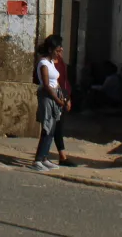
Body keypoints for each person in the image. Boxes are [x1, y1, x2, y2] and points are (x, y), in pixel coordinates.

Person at [33, 34, 70, 172]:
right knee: (47, 128)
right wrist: (58, 100)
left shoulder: (51, 63)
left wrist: (64, 97)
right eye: (57, 50)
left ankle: (44, 158)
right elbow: (47, 85)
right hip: (48, 97)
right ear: (50, 49)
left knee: (53, 128)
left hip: (55, 96)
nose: (59, 52)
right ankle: (38, 159)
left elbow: (57, 83)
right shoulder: (43, 64)